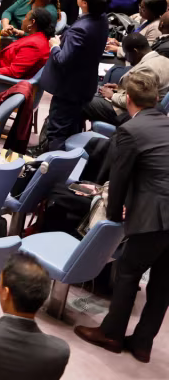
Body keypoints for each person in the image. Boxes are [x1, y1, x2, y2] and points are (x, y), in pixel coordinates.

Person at [75, 72, 169, 363]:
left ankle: (112, 334)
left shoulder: (129, 130)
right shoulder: (166, 123)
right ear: (156, 99)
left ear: (127, 98)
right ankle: (142, 345)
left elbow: (119, 179)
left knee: (128, 272)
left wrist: (114, 217)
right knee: (163, 283)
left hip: (155, 217)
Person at [40, 0, 112, 151]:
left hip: (68, 89)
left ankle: (51, 170)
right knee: (70, 129)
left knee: (56, 132)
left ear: (84, 3)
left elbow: (63, 59)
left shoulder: (80, 30)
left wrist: (55, 46)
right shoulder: (102, 19)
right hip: (84, 85)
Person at [85, 33, 169, 127]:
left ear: (135, 51)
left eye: (127, 54)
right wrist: (119, 88)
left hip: (133, 112)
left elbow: (139, 100)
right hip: (147, 107)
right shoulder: (164, 60)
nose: (127, 58)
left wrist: (113, 95)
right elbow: (146, 90)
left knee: (83, 102)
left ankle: (71, 137)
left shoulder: (147, 68)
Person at [0, 7, 55, 79]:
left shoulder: (34, 46)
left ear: (32, 22)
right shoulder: (39, 37)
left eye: (25, 18)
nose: (23, 20)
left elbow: (13, 72)